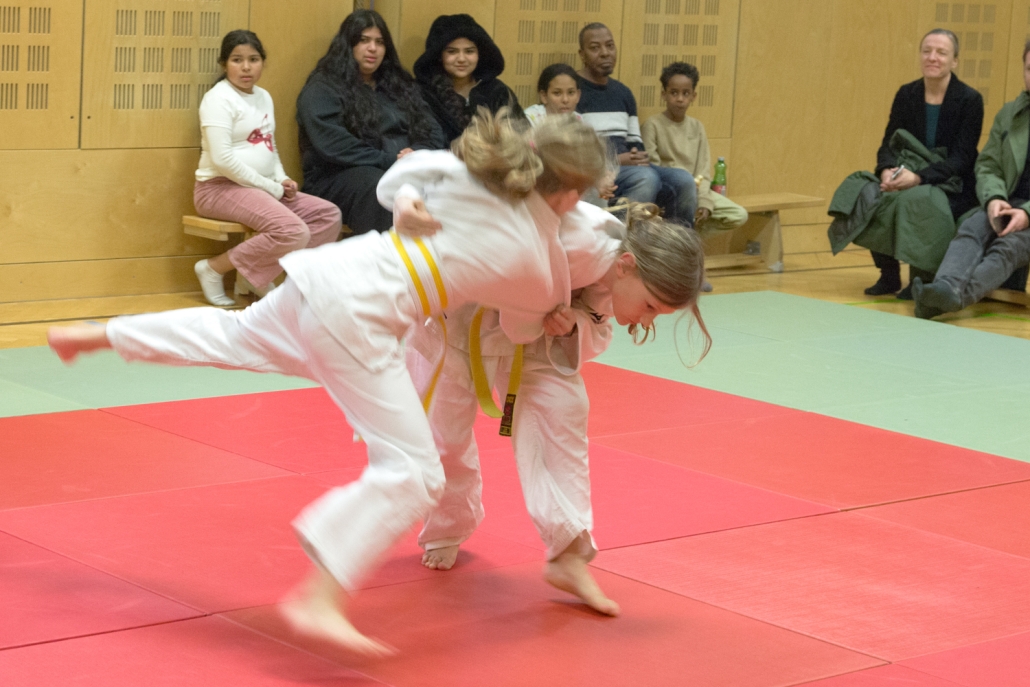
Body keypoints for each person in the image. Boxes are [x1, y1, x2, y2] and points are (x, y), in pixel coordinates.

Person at [46, 110, 609, 658]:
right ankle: (319, 597)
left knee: (229, 334)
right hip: (362, 316)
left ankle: (101, 335)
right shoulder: (536, 258)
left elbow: (400, 174)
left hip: (328, 273)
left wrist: (406, 201)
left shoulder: (474, 173)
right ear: (569, 195)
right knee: (414, 473)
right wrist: (559, 314)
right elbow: (522, 327)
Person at [404, 202, 710, 618]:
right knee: (444, 436)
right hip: (460, 313)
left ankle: (568, 553)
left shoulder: (613, 270)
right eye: (651, 306)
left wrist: (572, 325)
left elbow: (596, 327)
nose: (646, 320)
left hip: (534, 338)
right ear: (627, 265)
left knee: (564, 409)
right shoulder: (572, 240)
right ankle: (447, 526)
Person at [192, 30, 342, 307]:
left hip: (261, 187)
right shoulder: (218, 98)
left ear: (262, 62)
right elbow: (222, 159)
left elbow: (268, 146)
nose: (246, 67)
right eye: (237, 60)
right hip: (217, 188)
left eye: (254, 59)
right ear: (224, 64)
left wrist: (281, 178)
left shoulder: (263, 96)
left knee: (327, 215)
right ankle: (213, 268)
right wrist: (271, 187)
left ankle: (277, 281)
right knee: (292, 230)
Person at [829, 29, 983, 299]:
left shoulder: (970, 99)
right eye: (927, 51)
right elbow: (889, 142)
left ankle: (920, 278)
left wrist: (918, 178)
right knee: (870, 193)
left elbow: (962, 158)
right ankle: (888, 274)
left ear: (955, 61)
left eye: (941, 53)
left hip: (952, 183)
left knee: (918, 201)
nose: (932, 57)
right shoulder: (906, 93)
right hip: (908, 172)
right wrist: (887, 170)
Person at [296, 10, 444, 235]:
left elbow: (432, 129)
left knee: (448, 184)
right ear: (348, 45)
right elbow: (334, 145)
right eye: (364, 40)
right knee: (380, 186)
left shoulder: (400, 84)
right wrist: (392, 161)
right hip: (338, 176)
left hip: (402, 168)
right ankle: (392, 254)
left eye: (379, 42)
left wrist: (417, 153)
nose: (373, 48)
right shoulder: (322, 88)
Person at [914, 41, 1030, 318]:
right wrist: (994, 198)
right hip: (1007, 202)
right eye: (1029, 69)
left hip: (1027, 212)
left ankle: (947, 298)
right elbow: (988, 164)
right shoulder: (1010, 113)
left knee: (1008, 246)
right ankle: (945, 288)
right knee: (971, 229)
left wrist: (1026, 213)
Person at [575, 22, 696, 225]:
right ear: (582, 54)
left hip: (627, 170)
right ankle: (619, 239)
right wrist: (617, 160)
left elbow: (636, 144)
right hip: (597, 171)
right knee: (645, 178)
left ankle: (676, 242)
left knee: (683, 180)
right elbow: (573, 152)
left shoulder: (623, 93)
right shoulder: (572, 90)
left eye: (610, 46)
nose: (605, 53)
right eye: (595, 48)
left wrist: (637, 156)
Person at [641, 62, 748, 234]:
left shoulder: (697, 127)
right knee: (681, 208)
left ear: (693, 96)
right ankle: (683, 238)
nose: (680, 99)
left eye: (686, 93)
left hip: (697, 192)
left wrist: (704, 201)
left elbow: (703, 172)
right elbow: (653, 170)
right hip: (672, 193)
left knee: (738, 215)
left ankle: (689, 237)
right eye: (674, 93)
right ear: (663, 94)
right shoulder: (652, 125)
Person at [414, 13, 524, 146]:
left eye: (469, 51)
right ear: (439, 55)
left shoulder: (497, 91)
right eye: (452, 51)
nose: (461, 59)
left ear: (480, 54)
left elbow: (521, 135)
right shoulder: (423, 93)